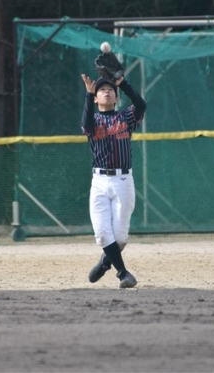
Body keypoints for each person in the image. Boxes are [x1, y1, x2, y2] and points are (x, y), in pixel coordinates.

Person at [80, 73, 147, 288]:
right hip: (99, 181)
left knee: (120, 239)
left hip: (122, 180)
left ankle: (105, 261)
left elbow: (141, 105)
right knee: (102, 234)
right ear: (96, 98)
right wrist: (88, 95)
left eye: (110, 90)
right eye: (102, 90)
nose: (107, 91)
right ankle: (123, 273)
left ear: (116, 98)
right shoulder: (93, 120)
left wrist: (123, 83)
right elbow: (86, 123)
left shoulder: (125, 118)